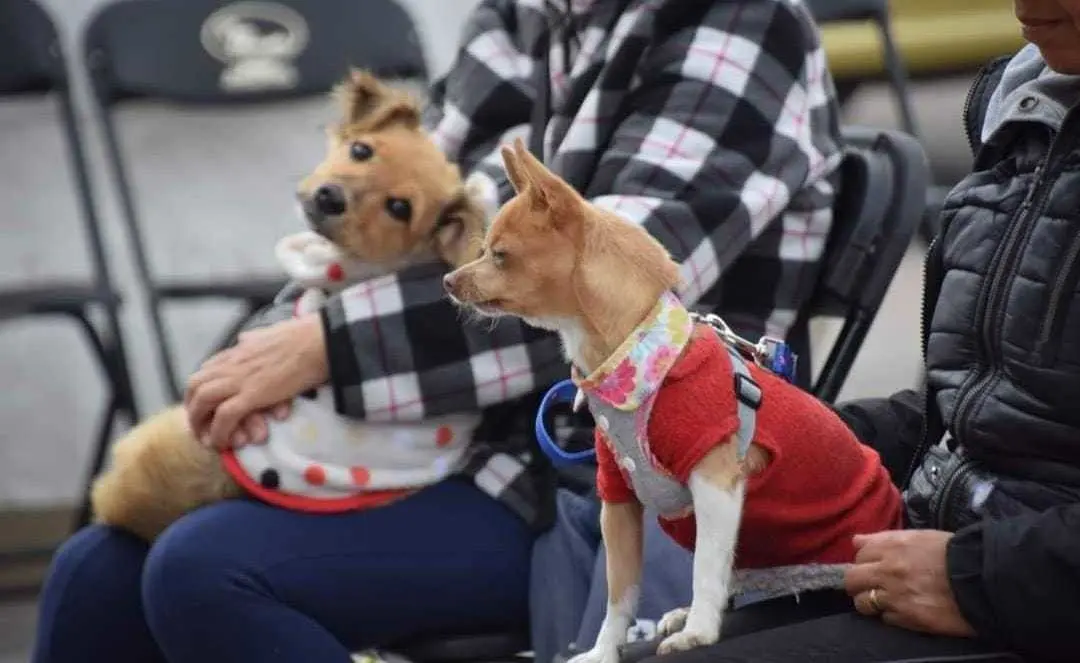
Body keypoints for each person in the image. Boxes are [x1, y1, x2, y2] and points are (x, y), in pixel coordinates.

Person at [31, 1, 841, 662]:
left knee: (206, 570)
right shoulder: (524, 18)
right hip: (446, 434)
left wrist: (322, 350)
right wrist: (267, 355)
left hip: (587, 474)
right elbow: (398, 230)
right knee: (95, 567)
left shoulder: (741, 22)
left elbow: (607, 297)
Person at [628, 1, 1080, 662]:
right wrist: (791, 438)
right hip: (935, 555)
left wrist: (974, 579)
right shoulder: (1026, 117)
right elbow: (969, 416)